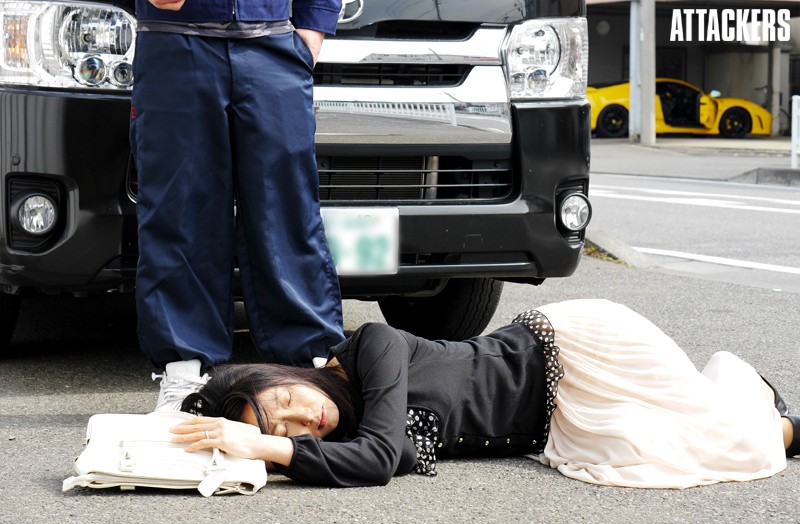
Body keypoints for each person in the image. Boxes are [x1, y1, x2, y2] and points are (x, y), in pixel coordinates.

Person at [170, 299, 799, 489]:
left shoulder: (372, 345)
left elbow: (381, 460)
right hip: (559, 423)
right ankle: (739, 400)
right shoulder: (353, 431)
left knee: (727, 442)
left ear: (284, 375)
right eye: (287, 433)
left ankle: (770, 412)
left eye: (285, 404)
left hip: (574, 353)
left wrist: (266, 448)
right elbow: (389, 453)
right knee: (647, 455)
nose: (306, 421)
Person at [128, 0, 346, 410]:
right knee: (179, 213)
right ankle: (184, 373)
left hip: (273, 42)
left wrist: (314, 25)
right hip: (174, 40)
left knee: (287, 212)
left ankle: (306, 367)